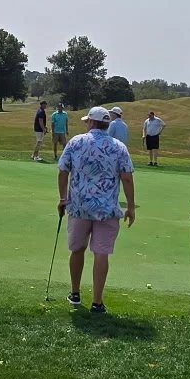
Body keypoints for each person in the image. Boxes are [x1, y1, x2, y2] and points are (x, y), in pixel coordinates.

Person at [56, 107, 137, 311]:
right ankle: (97, 302)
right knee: (101, 253)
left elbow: (63, 171)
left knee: (77, 249)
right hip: (107, 209)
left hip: (79, 206)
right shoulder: (119, 147)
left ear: (92, 122)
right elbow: (127, 178)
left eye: (87, 121)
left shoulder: (76, 142)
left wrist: (63, 198)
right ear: (107, 124)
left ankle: (75, 293)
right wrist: (130, 206)